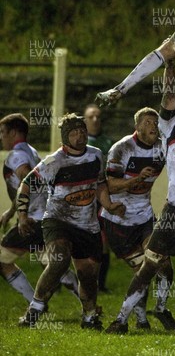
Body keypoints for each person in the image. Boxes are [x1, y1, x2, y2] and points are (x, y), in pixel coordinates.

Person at [106, 60, 175, 335]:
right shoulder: (169, 129)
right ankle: (122, 319)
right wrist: (169, 63)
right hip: (170, 212)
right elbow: (170, 95)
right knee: (150, 265)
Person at [16, 113, 125, 329]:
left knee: (88, 276)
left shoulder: (96, 155)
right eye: (74, 133)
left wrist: (109, 205)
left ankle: (89, 317)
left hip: (88, 224)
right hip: (58, 220)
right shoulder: (54, 161)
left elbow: (101, 184)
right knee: (60, 259)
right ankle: (35, 310)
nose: (79, 135)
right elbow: (26, 185)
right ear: (65, 138)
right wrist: (21, 215)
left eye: (82, 131)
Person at [100, 106, 174, 331]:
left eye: (155, 122)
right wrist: (135, 180)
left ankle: (160, 308)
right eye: (148, 122)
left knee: (163, 265)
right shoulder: (122, 148)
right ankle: (141, 320)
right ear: (137, 126)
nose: (153, 126)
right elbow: (110, 184)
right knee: (142, 272)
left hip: (144, 218)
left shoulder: (162, 148)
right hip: (118, 222)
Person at [0, 113, 79, 305]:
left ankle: (35, 304)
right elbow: (26, 187)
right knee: (51, 263)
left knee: (2, 262)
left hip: (32, 220)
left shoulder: (16, 156)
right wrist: (11, 212)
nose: (0, 137)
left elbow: (27, 181)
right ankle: (87, 301)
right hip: (44, 217)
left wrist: (22, 215)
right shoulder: (33, 152)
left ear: (14, 132)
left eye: (2, 132)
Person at [84, 103, 114, 293]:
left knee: (103, 242)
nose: (95, 120)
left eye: (98, 116)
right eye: (91, 117)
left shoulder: (108, 143)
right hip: (82, 199)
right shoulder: (78, 142)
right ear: (84, 120)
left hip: (101, 198)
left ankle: (100, 284)